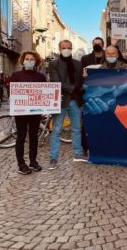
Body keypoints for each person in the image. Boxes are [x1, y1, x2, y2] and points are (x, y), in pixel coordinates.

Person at [48, 39, 86, 170]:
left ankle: (78, 153)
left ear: (72, 48)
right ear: (59, 49)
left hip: (75, 101)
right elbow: (55, 81)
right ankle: (53, 158)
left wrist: (80, 87)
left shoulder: (78, 63)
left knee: (77, 129)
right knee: (56, 130)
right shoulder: (53, 64)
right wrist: (73, 88)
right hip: (61, 100)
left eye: (69, 47)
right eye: (64, 47)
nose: (66, 49)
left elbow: (80, 81)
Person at [10, 51, 46, 175]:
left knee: (33, 137)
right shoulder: (16, 75)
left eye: (32, 59)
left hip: (35, 112)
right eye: (27, 59)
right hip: (21, 112)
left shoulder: (41, 77)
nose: (29, 61)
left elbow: (44, 94)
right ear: (23, 60)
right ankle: (21, 164)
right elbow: (12, 92)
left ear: (36, 62)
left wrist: (44, 109)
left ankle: (33, 161)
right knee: (21, 137)